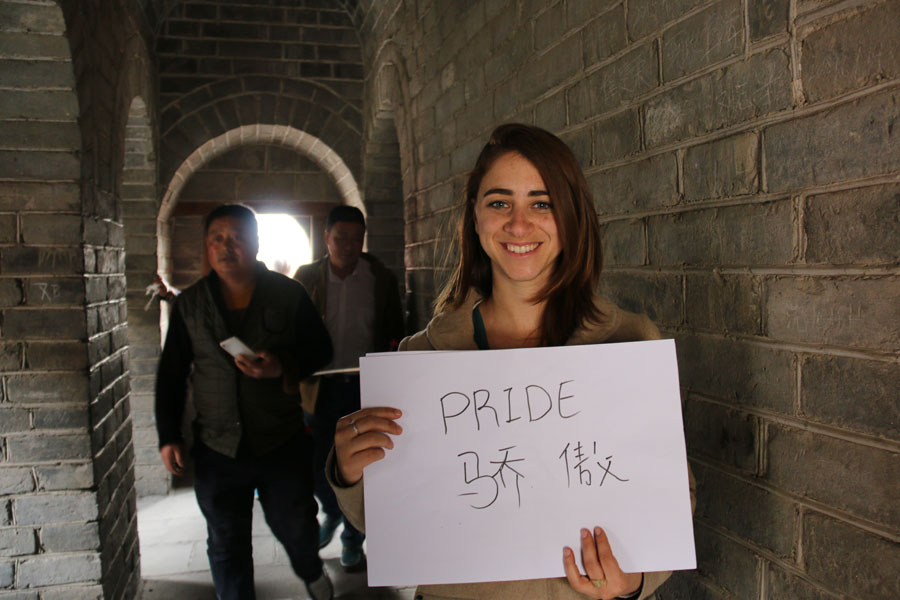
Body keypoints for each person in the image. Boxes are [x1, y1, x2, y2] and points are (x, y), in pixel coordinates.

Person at [326, 124, 696, 600]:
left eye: (541, 203)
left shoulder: (629, 344)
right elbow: (392, 519)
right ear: (475, 218)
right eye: (499, 202)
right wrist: (350, 471)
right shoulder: (421, 361)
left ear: (570, 217)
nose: (519, 225)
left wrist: (634, 582)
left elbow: (671, 497)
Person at [155, 204, 335, 600]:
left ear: (254, 243)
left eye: (236, 237)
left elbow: (321, 350)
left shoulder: (288, 294)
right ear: (207, 246)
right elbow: (171, 373)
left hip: (280, 440)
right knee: (225, 540)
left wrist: (282, 367)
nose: (226, 247)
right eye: (217, 238)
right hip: (217, 447)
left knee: (297, 527)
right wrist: (169, 435)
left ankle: (310, 569)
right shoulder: (192, 304)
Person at [294, 205, 405, 571]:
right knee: (318, 462)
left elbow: (394, 329)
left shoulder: (380, 278)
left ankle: (352, 537)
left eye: (356, 238)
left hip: (365, 386)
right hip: (320, 387)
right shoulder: (307, 277)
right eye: (341, 238)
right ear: (326, 238)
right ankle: (331, 511)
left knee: (363, 464)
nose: (348, 245)